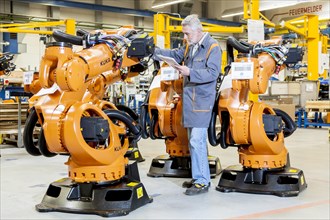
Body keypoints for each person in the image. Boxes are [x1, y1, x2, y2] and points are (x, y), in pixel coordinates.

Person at [153, 14, 221, 195]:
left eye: (187, 34)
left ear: (199, 31)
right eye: (184, 34)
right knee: (193, 142)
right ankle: (199, 176)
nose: (185, 38)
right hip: (190, 102)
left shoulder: (212, 48)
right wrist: (153, 51)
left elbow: (213, 73)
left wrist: (189, 71)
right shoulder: (189, 47)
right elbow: (173, 54)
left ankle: (202, 182)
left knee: (196, 141)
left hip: (202, 102)